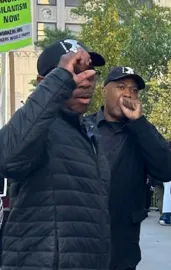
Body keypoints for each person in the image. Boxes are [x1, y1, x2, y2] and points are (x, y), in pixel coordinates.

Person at [0, 40, 111, 269]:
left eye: (90, 71)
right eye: (75, 71)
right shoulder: (38, 128)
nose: (86, 79)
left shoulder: (89, 134)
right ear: (45, 82)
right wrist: (61, 78)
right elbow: (7, 158)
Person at [85, 66, 171, 270]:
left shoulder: (142, 132)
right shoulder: (83, 127)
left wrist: (139, 124)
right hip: (81, 242)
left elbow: (167, 170)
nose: (128, 93)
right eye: (121, 86)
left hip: (122, 247)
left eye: (134, 90)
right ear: (104, 90)